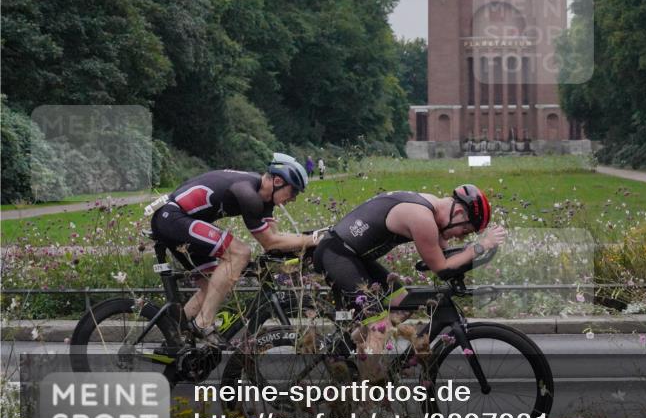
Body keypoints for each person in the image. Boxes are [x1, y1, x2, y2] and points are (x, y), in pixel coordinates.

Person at [312, 184, 506, 364]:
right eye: (464, 230)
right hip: (337, 255)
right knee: (380, 326)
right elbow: (442, 268)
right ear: (458, 212)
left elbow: (446, 253)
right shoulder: (422, 218)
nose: (460, 236)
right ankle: (369, 387)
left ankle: (343, 349)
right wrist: (480, 247)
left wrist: (473, 251)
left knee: (402, 305)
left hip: (354, 256)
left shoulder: (432, 208)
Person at [149, 153, 318, 346]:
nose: (293, 199)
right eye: (293, 191)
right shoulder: (248, 194)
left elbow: (276, 237)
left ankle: (174, 338)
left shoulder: (264, 197)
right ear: (278, 181)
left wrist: (312, 238)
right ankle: (203, 323)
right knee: (240, 253)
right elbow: (270, 243)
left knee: (212, 286)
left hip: (180, 219)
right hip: (173, 217)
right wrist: (313, 239)